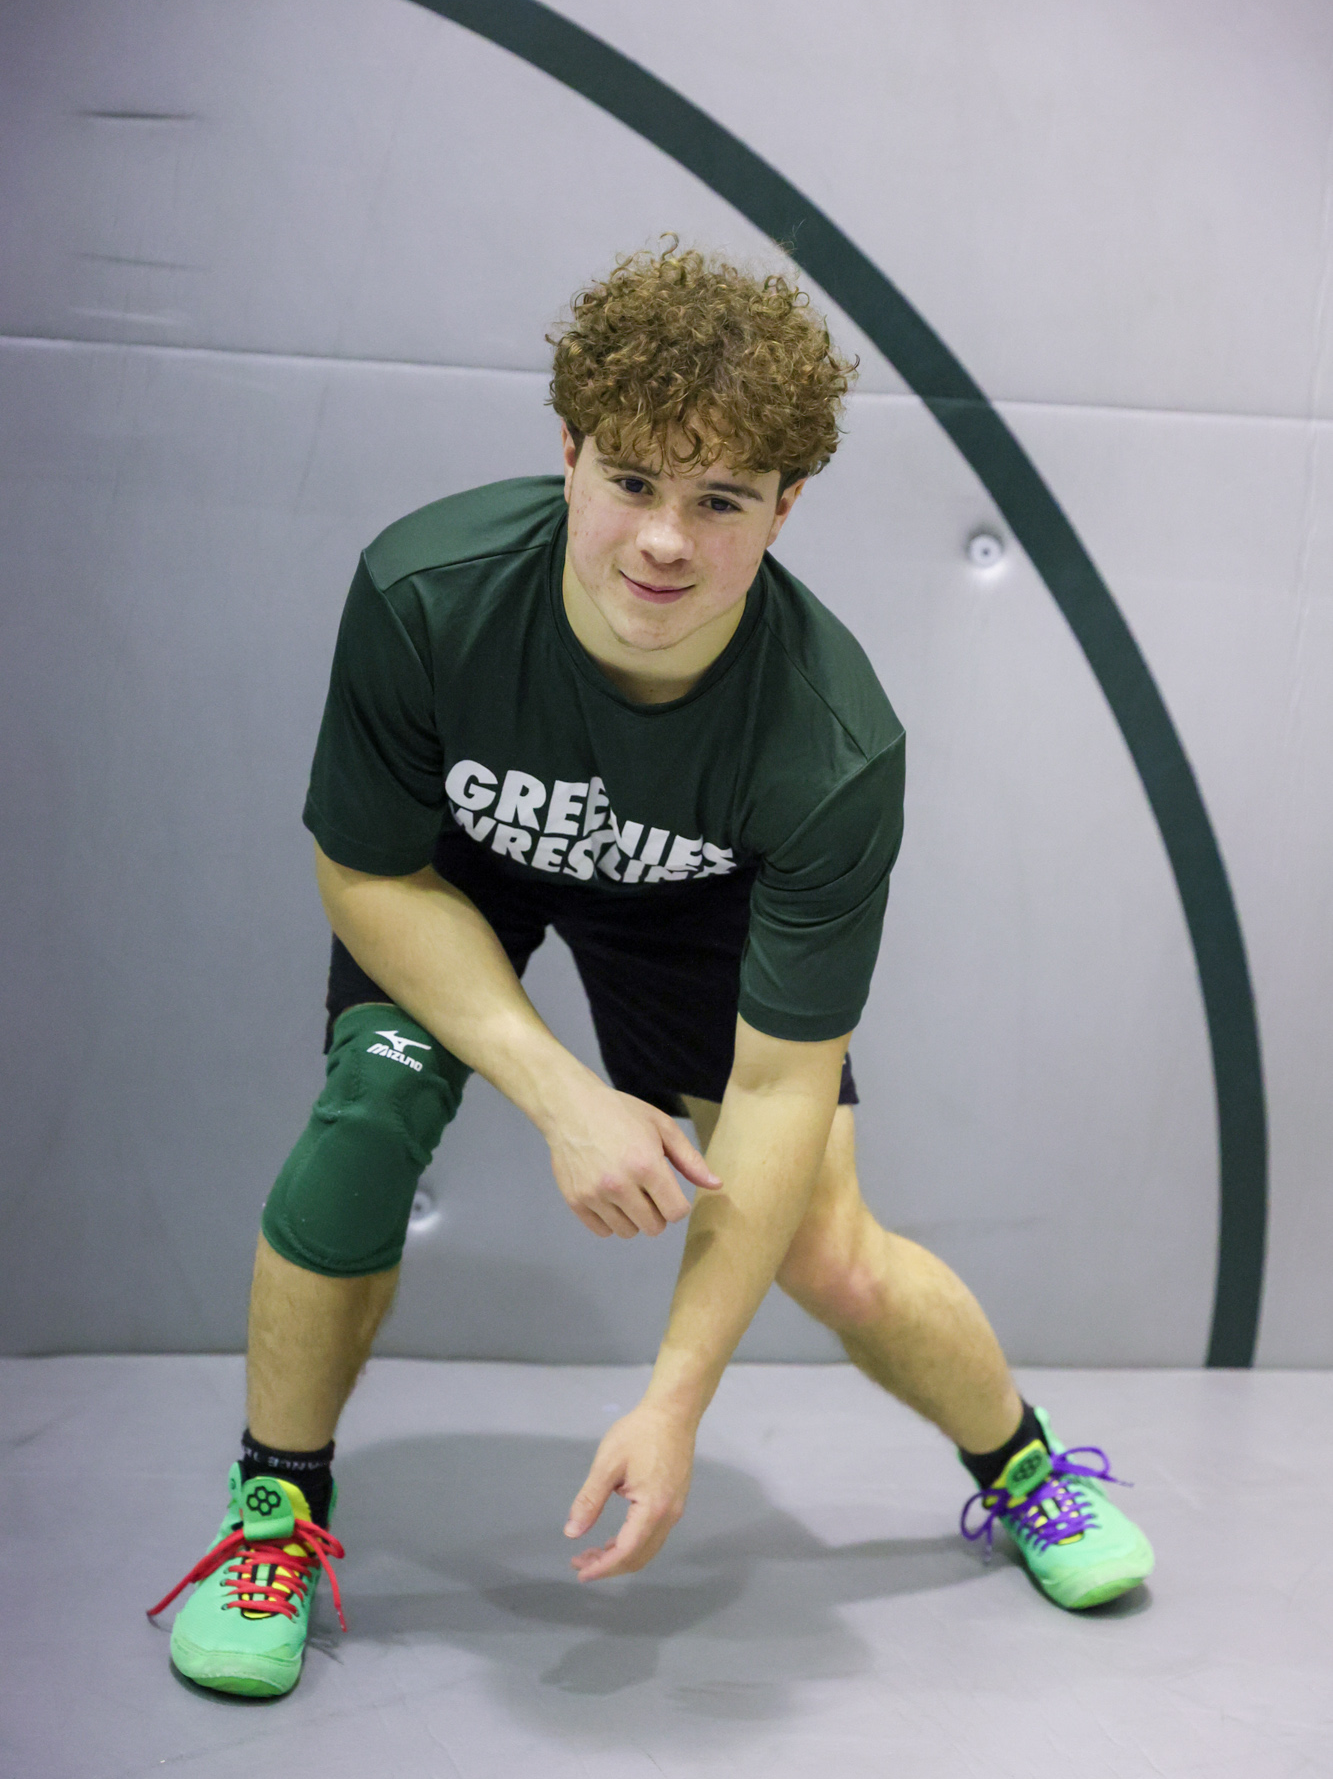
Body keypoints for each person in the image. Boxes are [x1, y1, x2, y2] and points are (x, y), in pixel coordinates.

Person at [149, 244, 1154, 1697]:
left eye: (721, 500)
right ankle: (274, 1515)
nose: (665, 541)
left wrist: (674, 1403)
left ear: (785, 509)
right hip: (459, 872)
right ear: (568, 454)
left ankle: (1025, 1468)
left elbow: (781, 1082)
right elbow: (364, 873)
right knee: (363, 1118)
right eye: (632, 481)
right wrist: (563, 1096)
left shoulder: (828, 745)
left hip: (693, 892)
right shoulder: (427, 593)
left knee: (822, 1244)